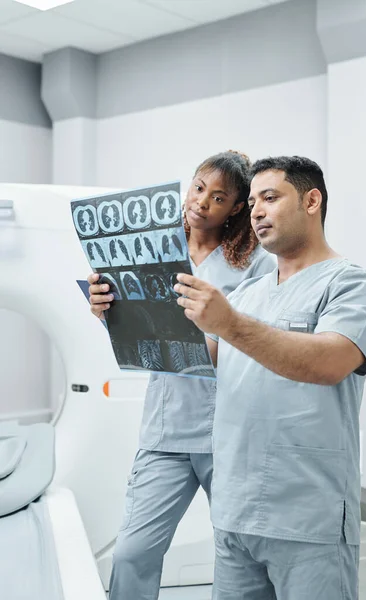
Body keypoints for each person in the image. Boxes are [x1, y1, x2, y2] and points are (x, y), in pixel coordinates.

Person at [174, 155, 366, 600]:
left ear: (312, 201)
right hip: (234, 511)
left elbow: (328, 362)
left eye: (270, 198)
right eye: (252, 201)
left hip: (307, 517)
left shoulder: (355, 286)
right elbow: (201, 360)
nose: (255, 211)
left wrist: (230, 323)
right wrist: (118, 315)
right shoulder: (248, 294)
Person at [88, 150, 276, 600]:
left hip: (226, 431)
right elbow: (139, 326)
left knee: (243, 555)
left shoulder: (252, 263)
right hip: (166, 430)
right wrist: (104, 310)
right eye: (198, 188)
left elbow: (259, 336)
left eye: (218, 197)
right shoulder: (149, 249)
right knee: (133, 552)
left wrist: (213, 334)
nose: (202, 202)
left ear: (236, 207)